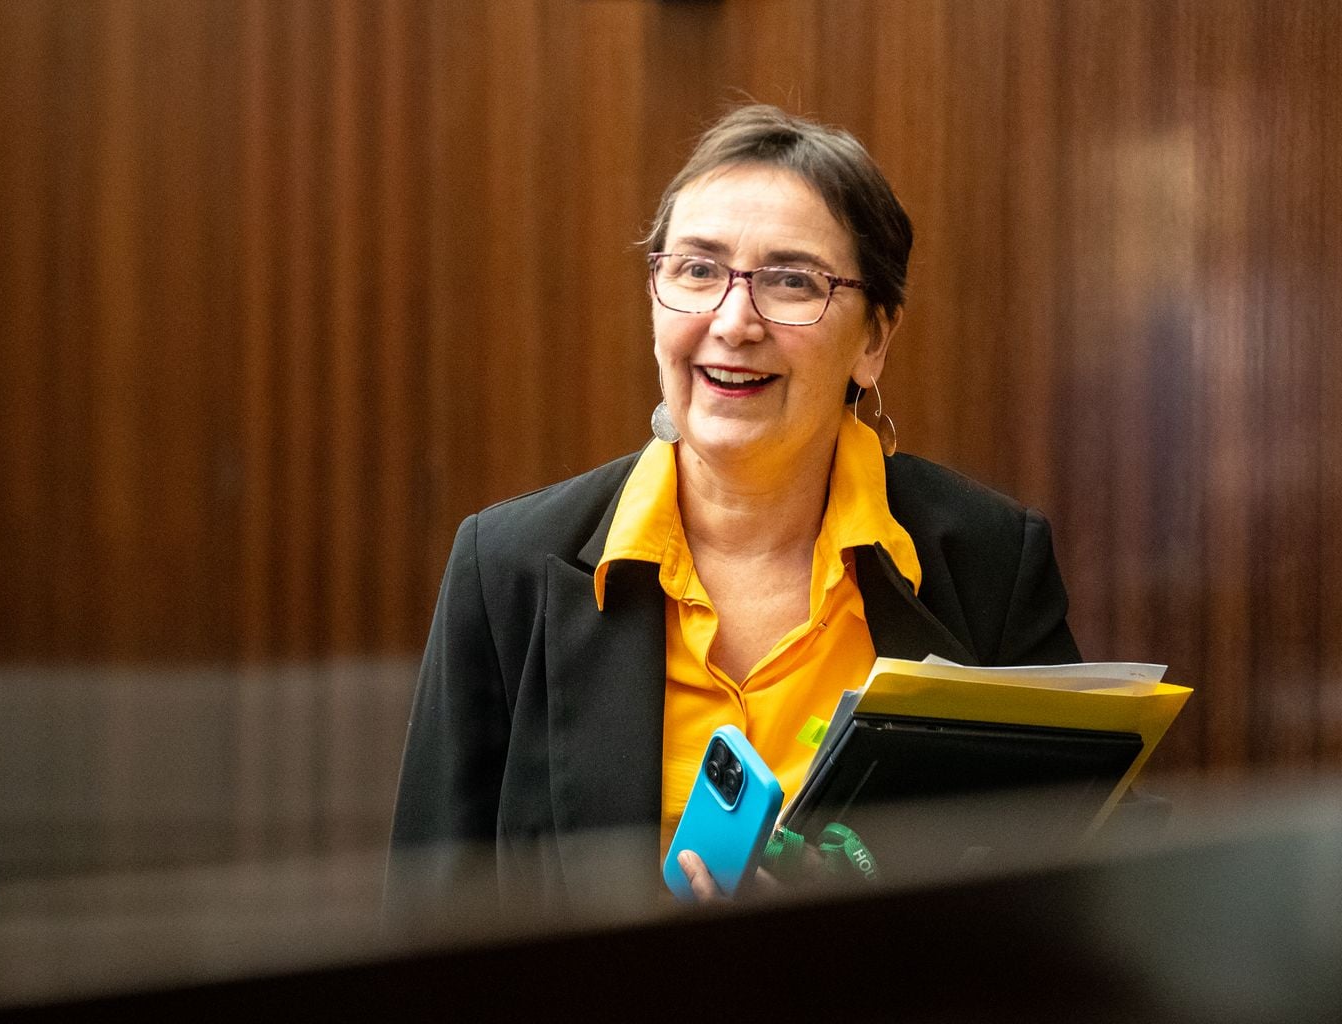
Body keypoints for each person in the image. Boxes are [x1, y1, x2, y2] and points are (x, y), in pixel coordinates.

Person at [388, 105, 1080, 913]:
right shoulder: (505, 569)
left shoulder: (989, 562)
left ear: (874, 339)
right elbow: (429, 925)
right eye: (696, 270)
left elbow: (1080, 873)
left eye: (792, 281)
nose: (733, 321)